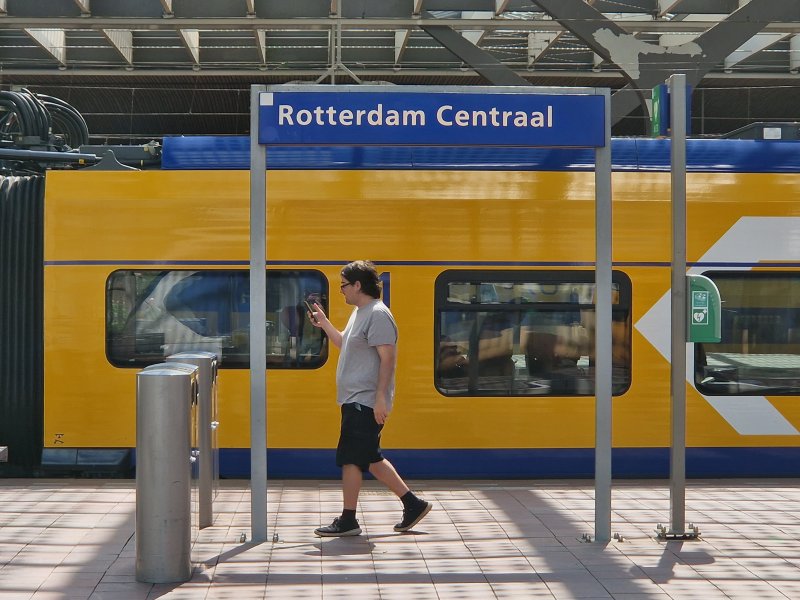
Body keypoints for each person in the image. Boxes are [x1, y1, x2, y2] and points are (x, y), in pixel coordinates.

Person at [307, 260, 431, 537]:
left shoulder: (377, 314)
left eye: (344, 285)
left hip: (364, 401)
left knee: (352, 459)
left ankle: (349, 519)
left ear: (358, 285)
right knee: (369, 457)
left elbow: (388, 358)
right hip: (355, 399)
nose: (341, 291)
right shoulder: (360, 313)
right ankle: (413, 503)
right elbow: (346, 345)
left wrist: (380, 399)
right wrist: (325, 324)